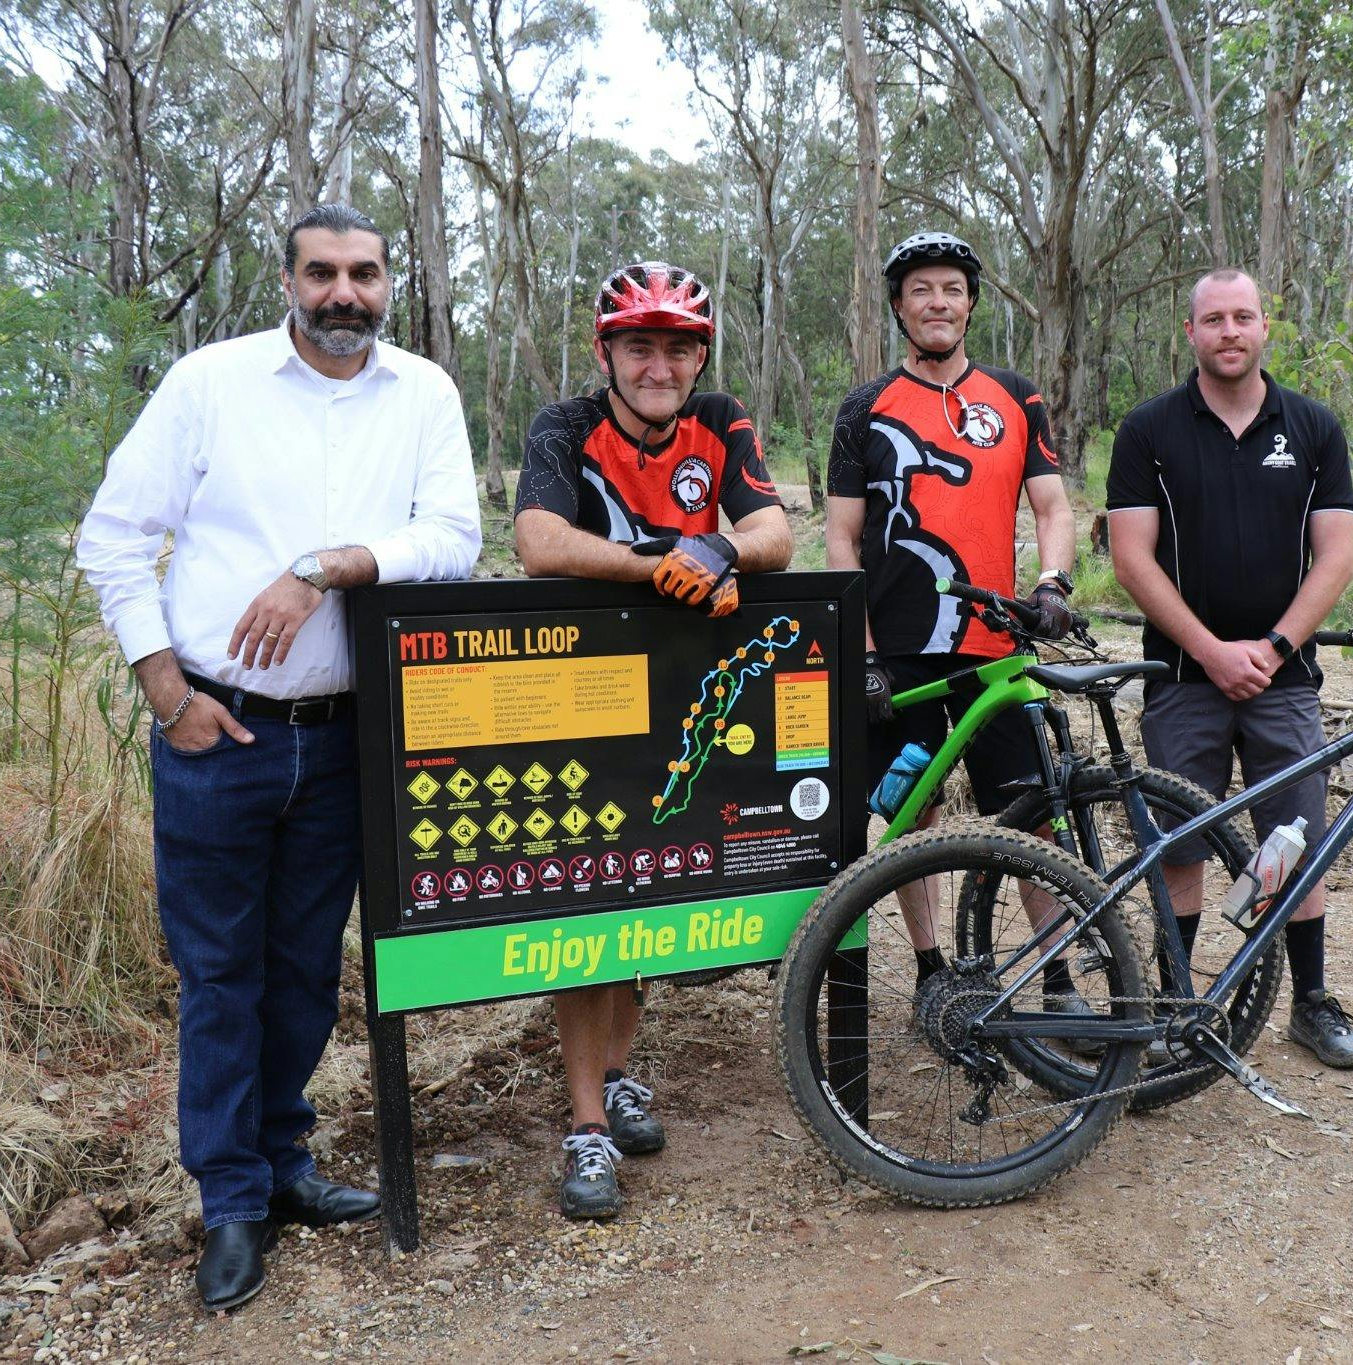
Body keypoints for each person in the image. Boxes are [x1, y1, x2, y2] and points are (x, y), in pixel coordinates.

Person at [76, 204, 481, 1309]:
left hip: (346, 736)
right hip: (221, 733)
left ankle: (285, 1164)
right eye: (321, 274)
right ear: (289, 280)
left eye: (363, 273)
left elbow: (454, 538)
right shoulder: (213, 383)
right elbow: (111, 536)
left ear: (389, 280)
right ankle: (231, 1201)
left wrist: (331, 564)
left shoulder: (424, 393)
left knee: (305, 970)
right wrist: (167, 692)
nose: (342, 293)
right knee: (219, 973)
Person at [514, 260, 792, 1220]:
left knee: (646, 890)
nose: (660, 366)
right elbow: (541, 541)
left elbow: (774, 534)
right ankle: (586, 1126)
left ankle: (623, 1074)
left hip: (676, 695)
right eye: (640, 345)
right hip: (579, 698)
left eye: (678, 347)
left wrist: (720, 547)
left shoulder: (720, 420)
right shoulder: (563, 425)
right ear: (607, 354)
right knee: (583, 911)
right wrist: (662, 561)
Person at [1106, 267, 1353, 1069]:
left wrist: (1276, 646)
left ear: (1264, 329)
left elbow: (1337, 555)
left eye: (1243, 317)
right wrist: (1213, 651)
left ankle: (1310, 1001)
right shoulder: (1148, 429)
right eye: (1213, 319)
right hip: (1183, 678)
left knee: (1296, 837)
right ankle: (1178, 1003)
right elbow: (1130, 558)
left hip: (1284, 679)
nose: (1229, 331)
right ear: (1189, 332)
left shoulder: (1314, 427)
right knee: (1181, 845)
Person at [823, 230, 1079, 997]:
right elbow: (841, 537)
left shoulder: (1015, 395)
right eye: (922, 290)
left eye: (953, 289)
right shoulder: (865, 407)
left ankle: (1058, 976)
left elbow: (1054, 504)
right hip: (899, 652)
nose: (938, 302)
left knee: (1034, 817)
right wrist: (862, 650)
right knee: (912, 818)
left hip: (997, 649)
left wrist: (1054, 583)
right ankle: (934, 970)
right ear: (900, 306)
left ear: (971, 303)